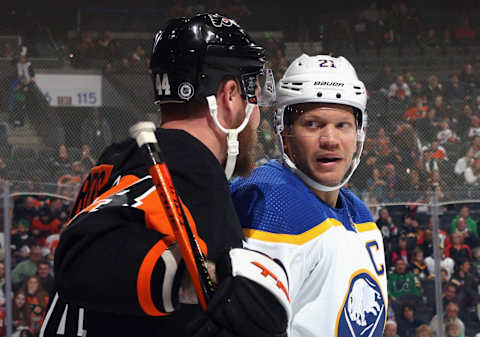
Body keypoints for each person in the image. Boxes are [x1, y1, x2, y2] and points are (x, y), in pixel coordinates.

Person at [40, 13, 289, 337]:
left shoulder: (119, 160)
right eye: (252, 96)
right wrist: (202, 281)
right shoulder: (191, 173)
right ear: (229, 96)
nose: (257, 115)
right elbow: (83, 257)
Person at [230, 54, 387, 337]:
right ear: (284, 132)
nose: (330, 139)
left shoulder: (359, 213)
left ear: (359, 135)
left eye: (343, 125)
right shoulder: (268, 201)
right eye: (313, 124)